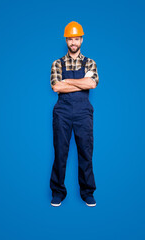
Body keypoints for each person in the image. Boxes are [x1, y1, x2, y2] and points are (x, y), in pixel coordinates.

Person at [49, 21, 99, 207]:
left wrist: (67, 82)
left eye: (76, 38)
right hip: (62, 112)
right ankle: (57, 192)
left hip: (83, 112)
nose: (73, 42)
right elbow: (56, 86)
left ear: (81, 40)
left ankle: (87, 192)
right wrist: (80, 81)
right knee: (60, 152)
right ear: (66, 40)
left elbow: (92, 84)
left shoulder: (90, 62)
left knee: (85, 152)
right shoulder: (57, 63)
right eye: (70, 39)